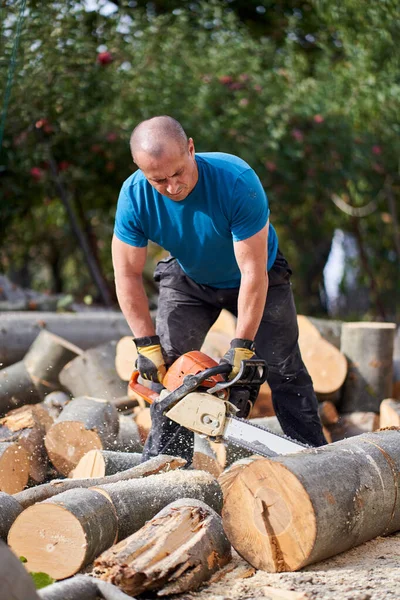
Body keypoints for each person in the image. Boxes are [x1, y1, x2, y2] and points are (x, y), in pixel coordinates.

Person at [112, 115, 326, 464]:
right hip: (189, 277)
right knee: (170, 372)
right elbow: (126, 274)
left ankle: (313, 460)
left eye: (178, 173)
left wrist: (242, 346)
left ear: (191, 149)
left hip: (257, 276)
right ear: (141, 170)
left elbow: (253, 271)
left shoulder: (235, 180)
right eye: (158, 180)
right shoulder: (134, 197)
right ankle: (165, 471)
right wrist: (146, 344)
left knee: (284, 367)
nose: (172, 187)